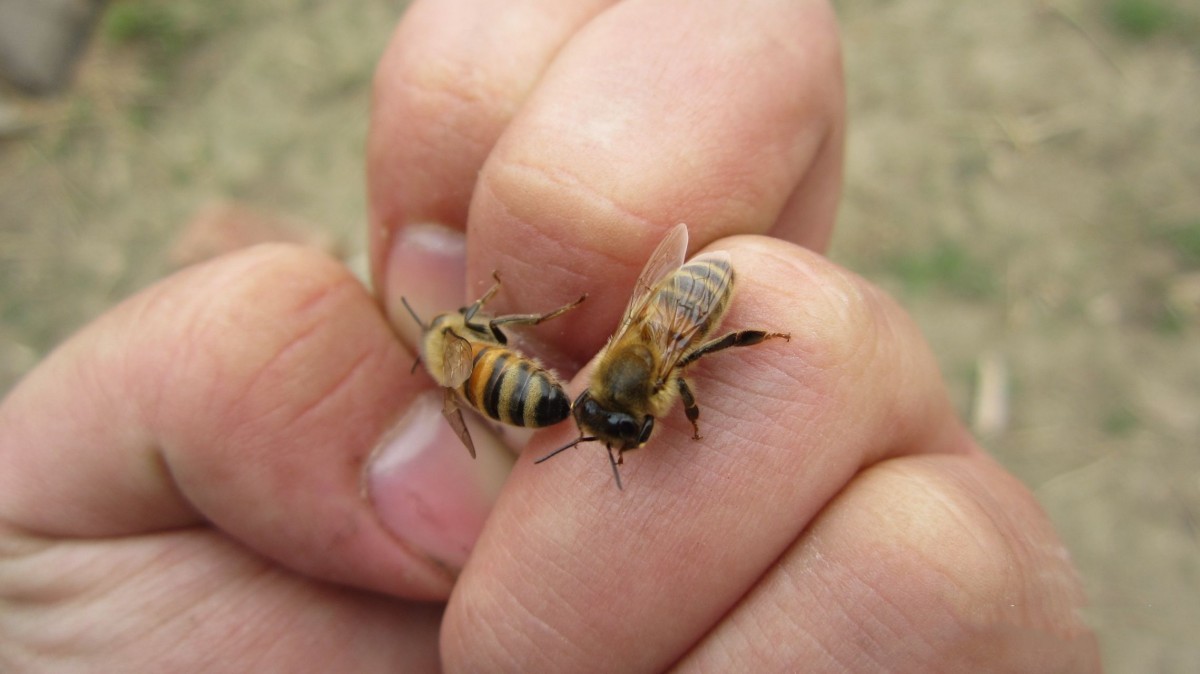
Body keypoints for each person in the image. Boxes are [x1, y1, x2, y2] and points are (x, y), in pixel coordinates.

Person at [0, 1, 1100, 670]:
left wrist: (721, 372)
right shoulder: (577, 375)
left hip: (688, 295)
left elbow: (651, 352)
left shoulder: (625, 368)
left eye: (614, 422)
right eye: (624, 426)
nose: (614, 424)